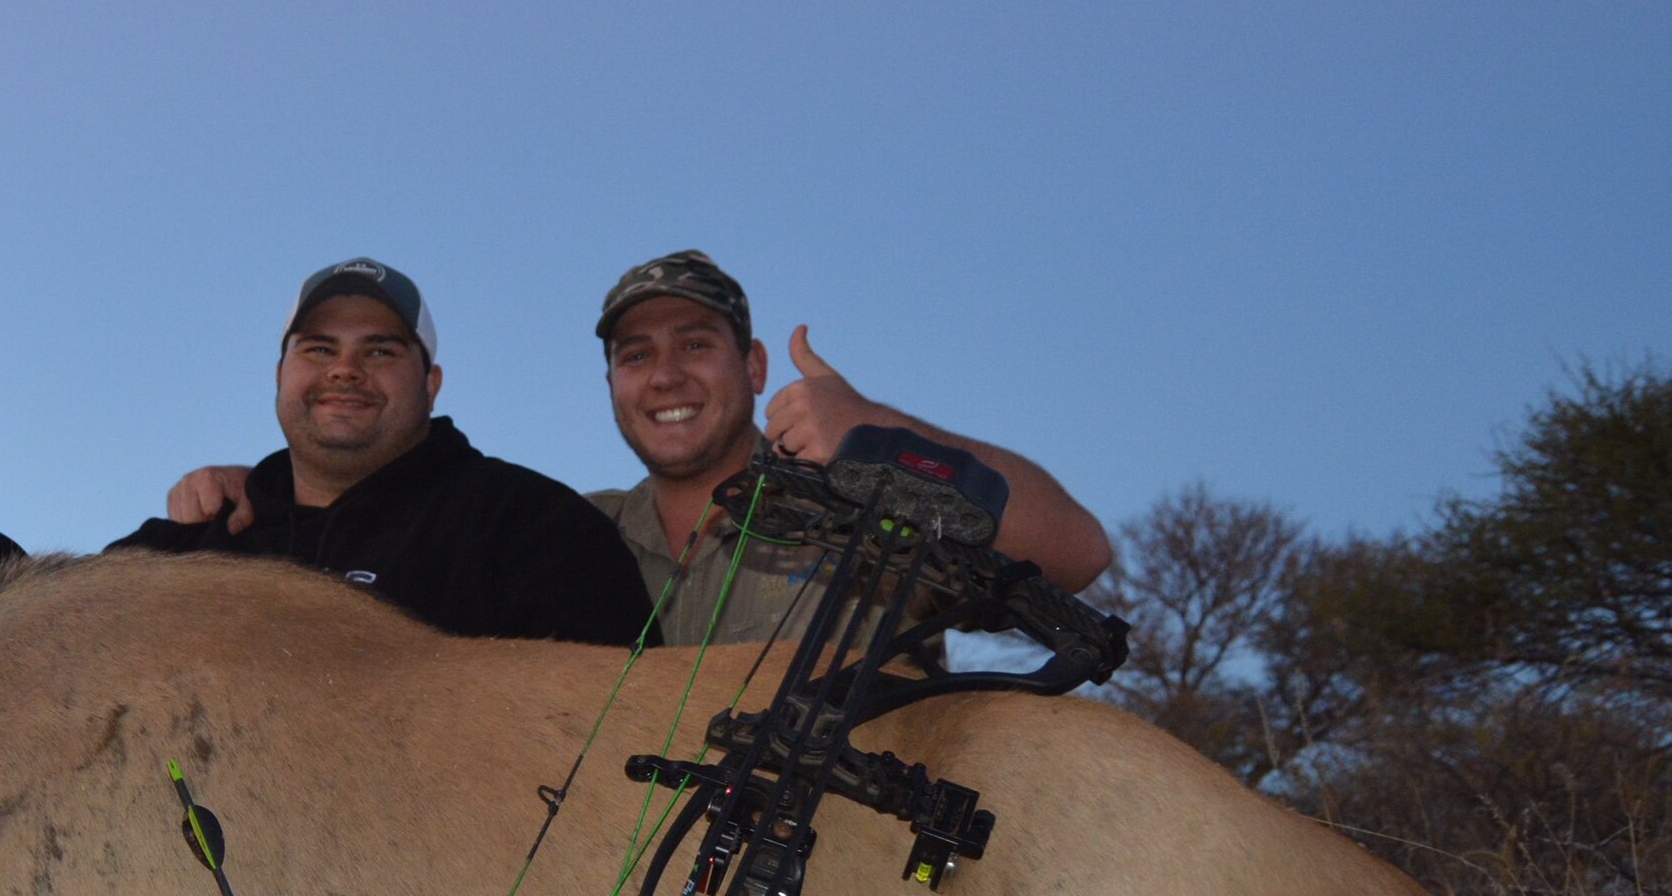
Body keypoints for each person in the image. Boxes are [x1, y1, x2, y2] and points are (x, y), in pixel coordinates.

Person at [171, 250, 1112, 651]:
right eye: (635, 356)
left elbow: (1077, 551)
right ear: (612, 385)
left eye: (694, 346)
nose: (663, 377)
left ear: (749, 364)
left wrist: (886, 435)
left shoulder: (868, 493)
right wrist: (258, 488)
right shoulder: (570, 531)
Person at [0, 258, 654, 646]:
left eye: (381, 350)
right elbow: (21, 635)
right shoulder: (189, 543)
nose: (344, 369)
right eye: (319, 349)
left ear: (432, 381)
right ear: (282, 376)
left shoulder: (533, 529)